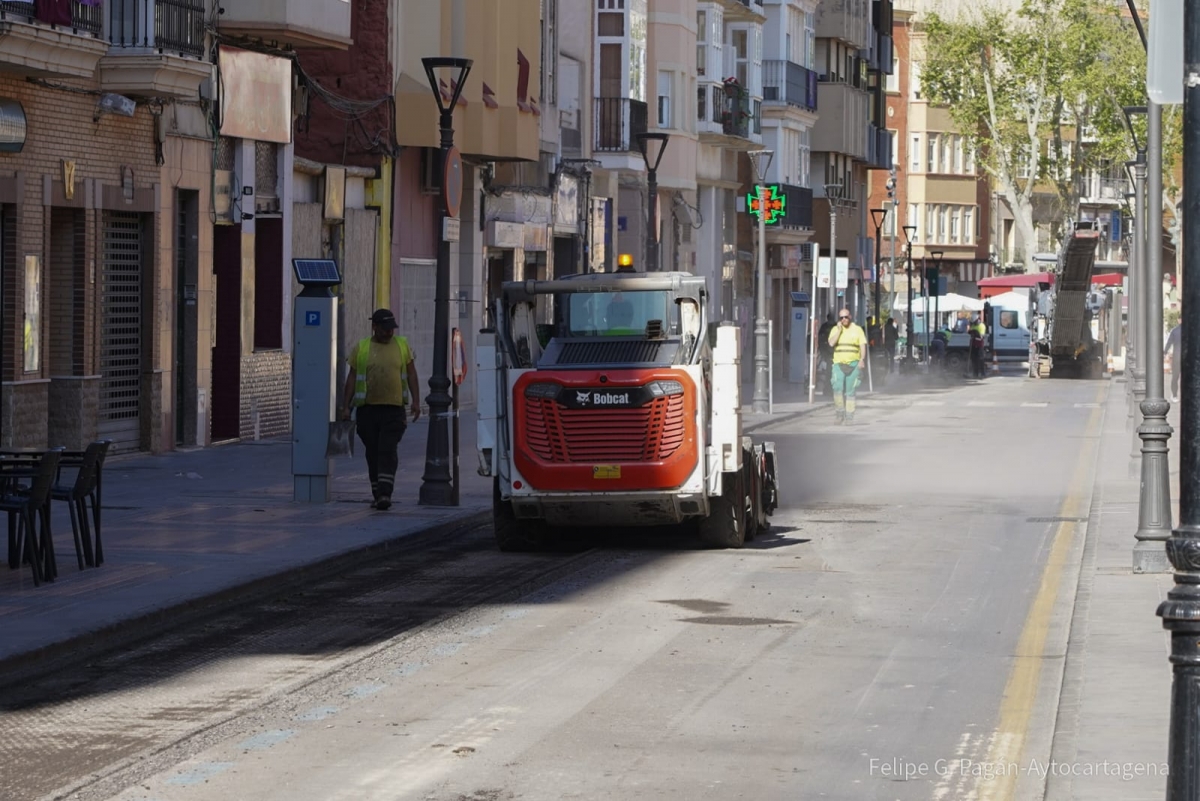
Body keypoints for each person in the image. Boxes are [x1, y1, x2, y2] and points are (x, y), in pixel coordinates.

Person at [341, 309, 422, 510]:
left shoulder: (402, 345)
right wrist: (345, 406)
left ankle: (385, 493)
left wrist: (416, 401)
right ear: (374, 327)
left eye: (391, 329)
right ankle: (377, 493)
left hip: (394, 409)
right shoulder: (362, 348)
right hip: (367, 410)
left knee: (387, 449)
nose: (389, 333)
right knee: (373, 452)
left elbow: (412, 375)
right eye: (385, 329)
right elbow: (352, 378)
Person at [828, 308, 868, 425]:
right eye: (841, 317)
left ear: (850, 317)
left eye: (846, 317)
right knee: (837, 389)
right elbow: (831, 343)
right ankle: (839, 414)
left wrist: (862, 360)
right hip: (838, 364)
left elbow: (862, 346)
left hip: (854, 364)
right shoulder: (835, 329)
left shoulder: (857, 329)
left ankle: (849, 417)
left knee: (850, 392)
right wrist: (839, 331)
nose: (844, 319)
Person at [1166, 322, 1182, 402]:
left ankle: (1174, 395)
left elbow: (1169, 343)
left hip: (1177, 357)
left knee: (1175, 377)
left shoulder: (1175, 331)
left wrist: (1164, 352)